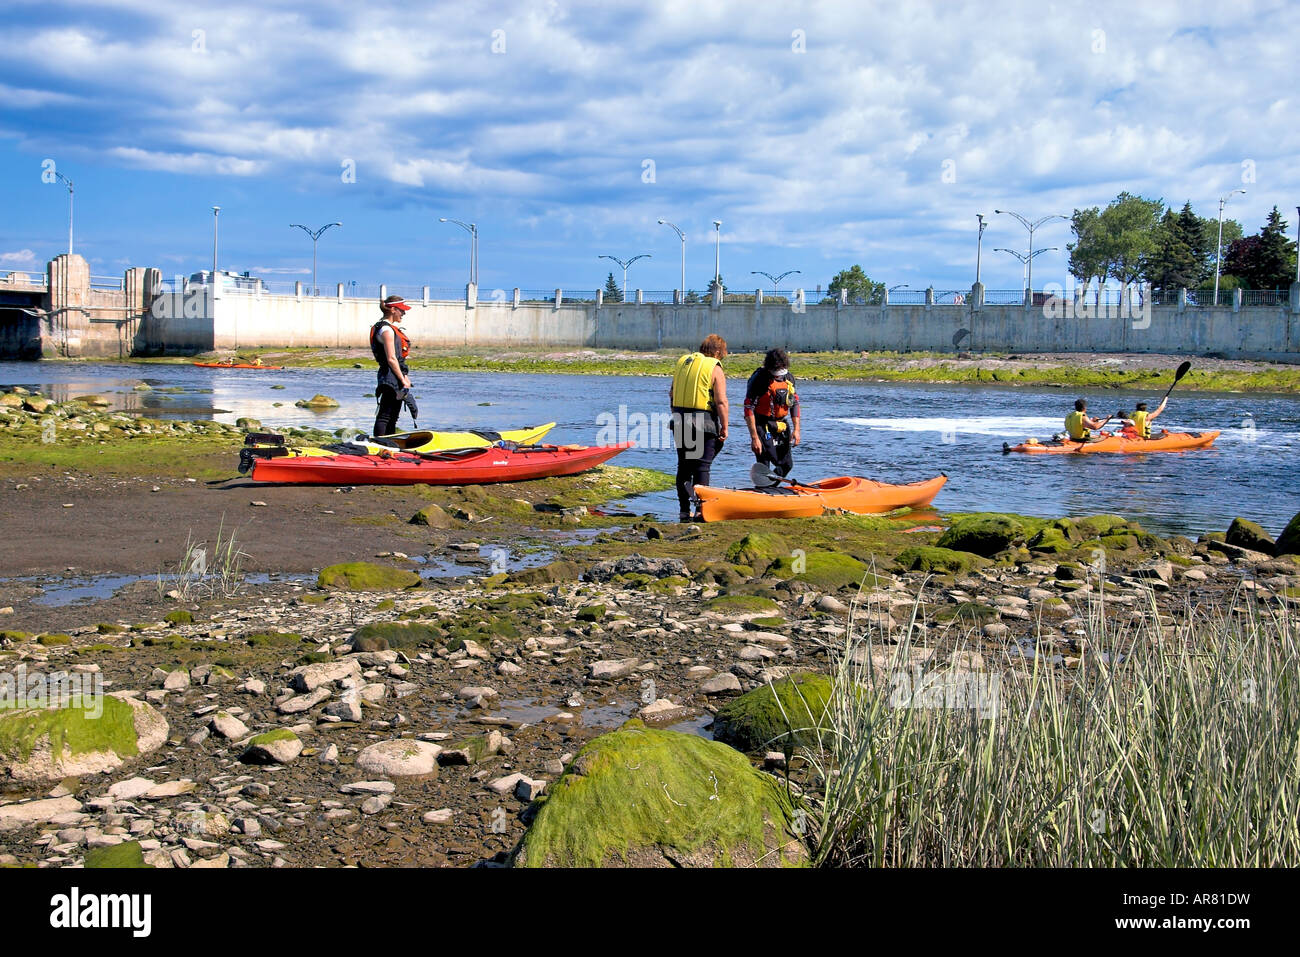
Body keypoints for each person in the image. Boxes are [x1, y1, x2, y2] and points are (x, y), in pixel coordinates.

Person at [670, 334, 729, 521]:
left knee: (684, 467)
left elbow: (671, 394)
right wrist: (725, 427)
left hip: (680, 420)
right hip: (703, 423)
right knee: (702, 467)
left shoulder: (684, 363)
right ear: (717, 352)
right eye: (722, 355)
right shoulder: (714, 367)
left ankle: (683, 510)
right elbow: (721, 402)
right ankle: (701, 512)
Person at [744, 348, 801, 487]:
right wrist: (754, 438)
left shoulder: (789, 379)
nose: (778, 376)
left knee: (786, 464)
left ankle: (768, 487)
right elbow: (748, 408)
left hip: (781, 425)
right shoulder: (759, 379)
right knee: (763, 463)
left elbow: (794, 404)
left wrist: (796, 429)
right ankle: (762, 489)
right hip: (762, 425)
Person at [371, 295, 413, 437]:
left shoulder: (387, 328)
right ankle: (380, 445)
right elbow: (391, 358)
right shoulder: (386, 330)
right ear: (393, 310)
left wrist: (404, 376)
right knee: (385, 416)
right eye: (402, 310)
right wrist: (402, 379)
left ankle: (389, 445)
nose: (404, 313)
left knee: (393, 417)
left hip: (393, 375)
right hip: (390, 377)